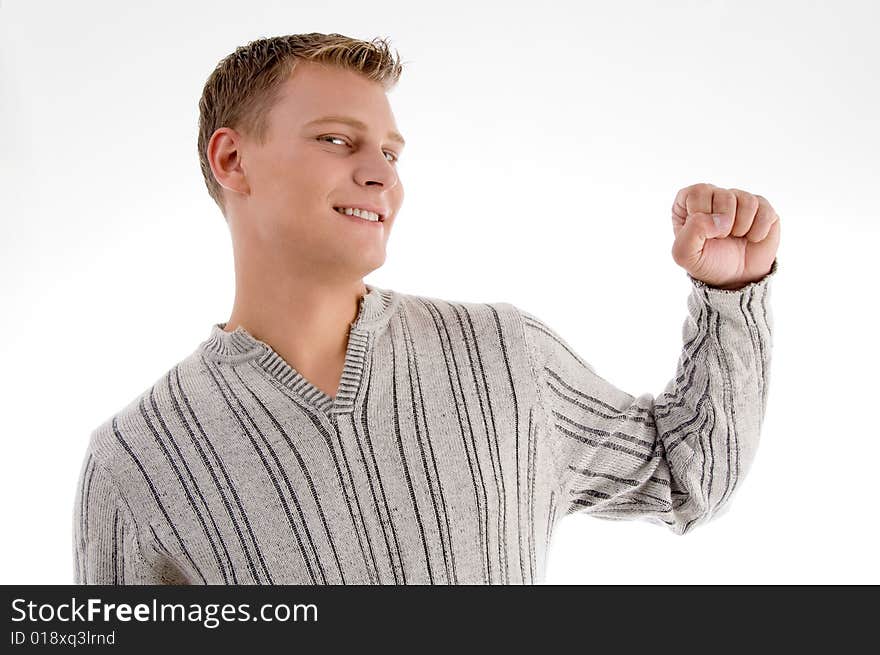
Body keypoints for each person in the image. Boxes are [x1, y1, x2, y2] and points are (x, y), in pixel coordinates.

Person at [72, 32, 780, 585]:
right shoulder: (136, 461)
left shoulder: (505, 355)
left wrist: (730, 296)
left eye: (390, 151)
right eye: (336, 140)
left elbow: (688, 477)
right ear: (232, 161)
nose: (381, 173)